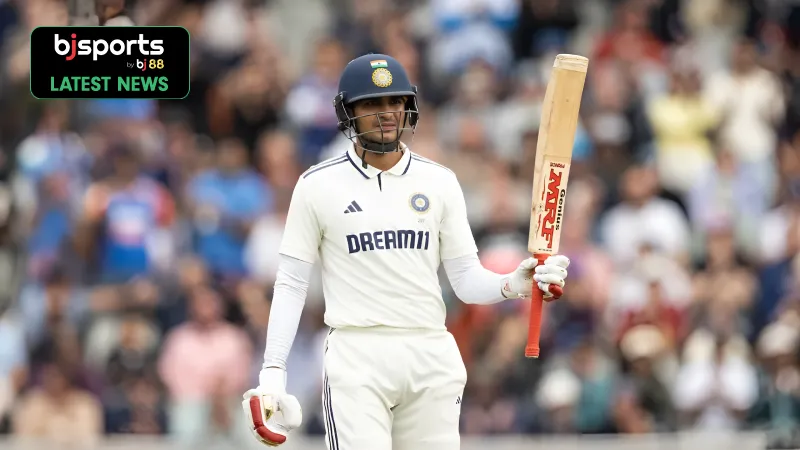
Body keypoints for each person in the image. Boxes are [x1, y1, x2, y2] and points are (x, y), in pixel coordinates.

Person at [241, 54, 571, 450]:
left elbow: (465, 280)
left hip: (431, 352)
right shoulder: (317, 185)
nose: (386, 113)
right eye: (372, 104)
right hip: (357, 355)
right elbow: (292, 283)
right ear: (348, 112)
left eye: (395, 102)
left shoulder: (440, 182)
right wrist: (273, 372)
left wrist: (514, 283)